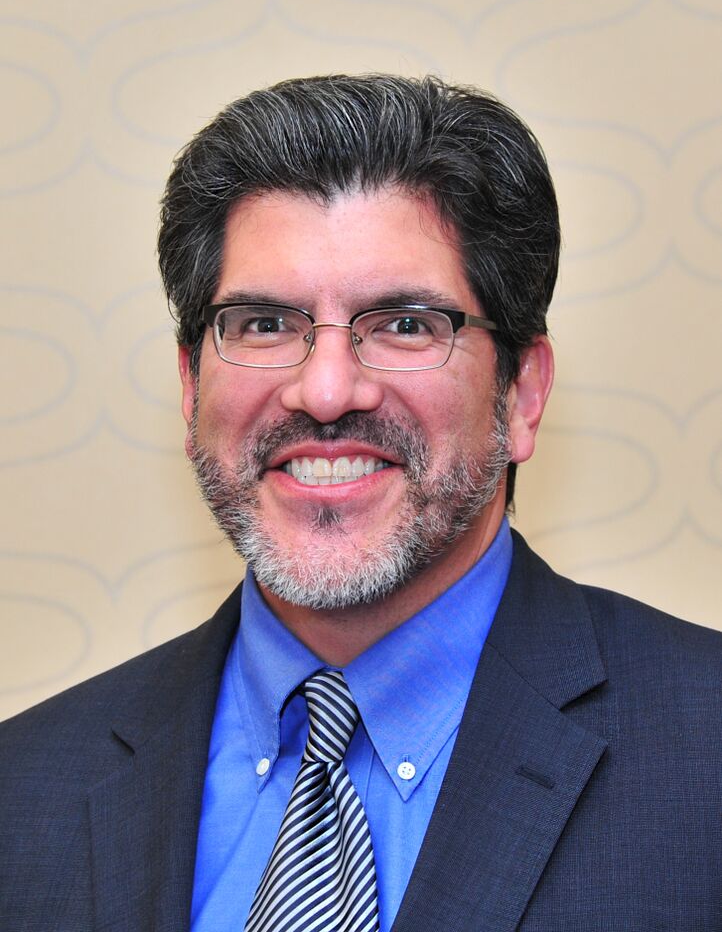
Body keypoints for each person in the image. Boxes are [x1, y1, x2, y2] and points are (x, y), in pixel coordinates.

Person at [1, 74, 721, 932]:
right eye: (264, 324)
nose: (327, 389)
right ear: (191, 386)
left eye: (405, 323)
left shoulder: (703, 756)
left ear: (522, 393)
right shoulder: (23, 790)